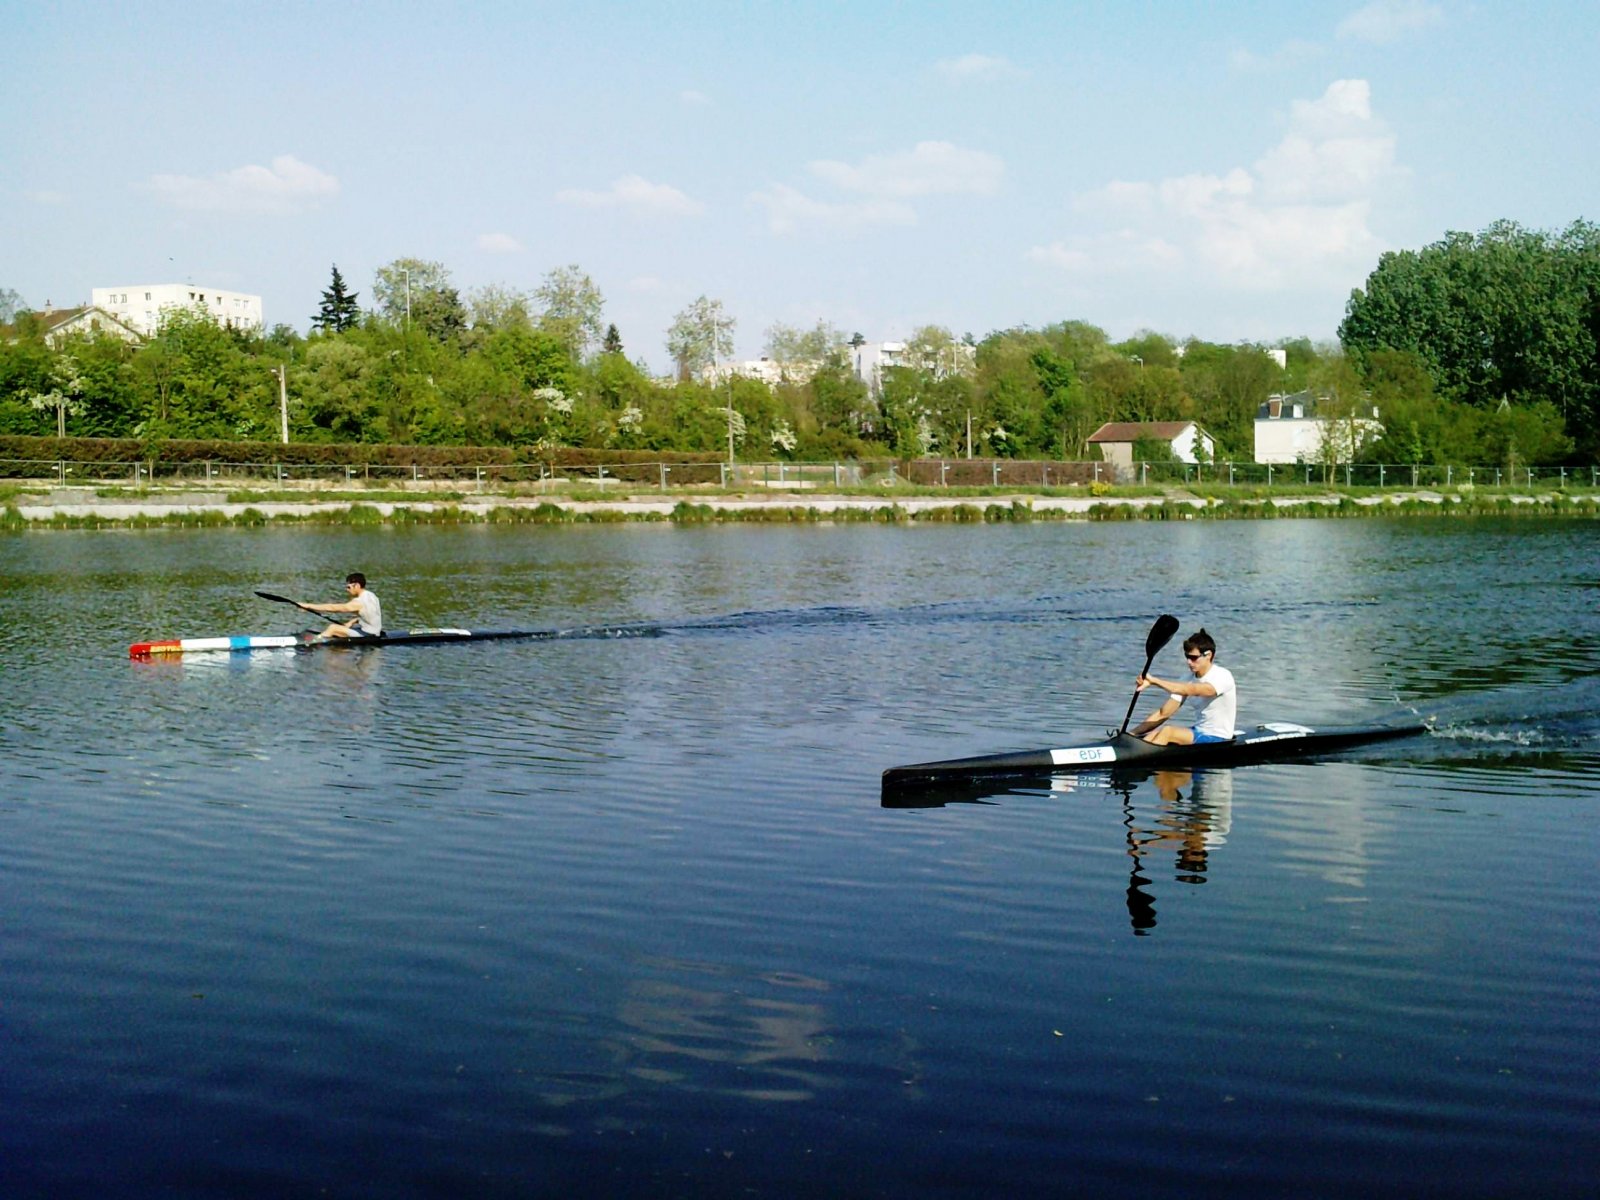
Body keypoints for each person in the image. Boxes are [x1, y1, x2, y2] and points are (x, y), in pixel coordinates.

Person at [1130, 628, 1235, 745]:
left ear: (1208, 655)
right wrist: (1132, 734)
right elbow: (1163, 713)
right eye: (1187, 657)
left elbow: (1193, 689)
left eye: (1194, 658)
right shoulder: (1187, 678)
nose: (1189, 662)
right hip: (1198, 731)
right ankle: (1129, 756)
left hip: (1218, 737)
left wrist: (1155, 681)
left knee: (1168, 732)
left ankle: (1144, 762)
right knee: (1154, 733)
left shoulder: (1222, 676)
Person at [304, 572, 383, 639]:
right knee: (342, 628)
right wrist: (351, 622)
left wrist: (308, 606)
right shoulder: (371, 595)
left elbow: (332, 608)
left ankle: (315, 642)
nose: (347, 590)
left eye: (349, 587)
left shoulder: (358, 602)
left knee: (333, 628)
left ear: (357, 585)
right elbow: (369, 614)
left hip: (369, 635)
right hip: (375, 631)